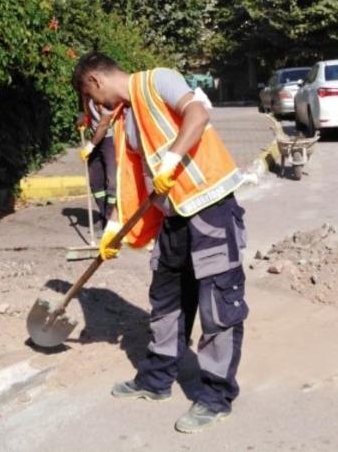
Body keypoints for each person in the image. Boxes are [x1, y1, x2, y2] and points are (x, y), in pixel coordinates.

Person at [72, 52, 249, 434]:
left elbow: (197, 114)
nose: (94, 106)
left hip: (209, 208)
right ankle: (156, 381)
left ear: (96, 82)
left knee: (218, 307)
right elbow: (132, 182)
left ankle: (215, 397)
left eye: (90, 97)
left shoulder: (158, 80)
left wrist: (171, 161)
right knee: (167, 302)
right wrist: (114, 228)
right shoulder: (125, 117)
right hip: (174, 218)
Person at [79, 96, 117, 228]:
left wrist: (90, 146)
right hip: (95, 137)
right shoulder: (85, 92)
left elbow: (104, 126)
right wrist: (82, 116)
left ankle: (111, 219)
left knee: (113, 183)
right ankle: (103, 214)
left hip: (110, 139)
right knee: (95, 181)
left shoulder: (103, 95)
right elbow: (82, 104)